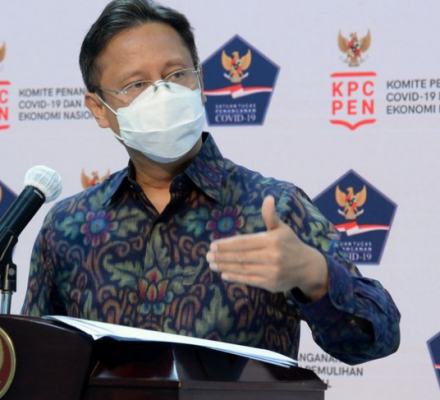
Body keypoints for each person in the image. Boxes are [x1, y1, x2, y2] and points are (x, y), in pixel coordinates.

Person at [22, 0, 400, 365]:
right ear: (98, 109)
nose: (162, 94)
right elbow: (36, 363)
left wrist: (314, 275)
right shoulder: (68, 227)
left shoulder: (273, 207)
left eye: (176, 75)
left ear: (199, 81)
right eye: (136, 84)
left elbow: (379, 337)